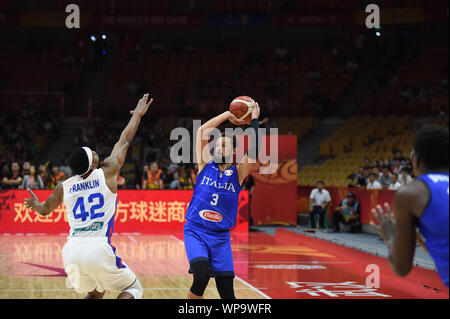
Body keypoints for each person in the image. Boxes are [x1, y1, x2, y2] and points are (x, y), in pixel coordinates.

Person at [24, 93, 153, 298]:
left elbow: (44, 210)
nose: (95, 153)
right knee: (134, 289)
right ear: (92, 164)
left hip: (71, 251)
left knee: (96, 293)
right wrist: (137, 114)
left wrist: (36, 204)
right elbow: (125, 139)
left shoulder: (63, 186)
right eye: (92, 153)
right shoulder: (108, 172)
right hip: (98, 248)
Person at [183, 102, 261, 300]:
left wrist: (254, 122)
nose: (218, 147)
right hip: (196, 231)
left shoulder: (238, 173)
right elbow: (201, 131)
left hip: (220, 237)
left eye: (223, 144)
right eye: (216, 144)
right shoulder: (204, 165)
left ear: (232, 151)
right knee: (200, 277)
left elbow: (253, 152)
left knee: (228, 293)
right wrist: (227, 114)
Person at [371, 125, 449, 287]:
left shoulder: (412, 193)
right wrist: (421, 241)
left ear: (417, 159)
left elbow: (401, 268)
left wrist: (390, 236)